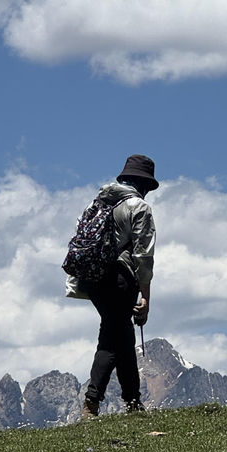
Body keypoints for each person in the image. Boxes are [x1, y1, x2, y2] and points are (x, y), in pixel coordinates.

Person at [66, 154, 158, 419]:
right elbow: (143, 255)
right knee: (110, 339)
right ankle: (91, 403)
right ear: (144, 184)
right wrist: (146, 299)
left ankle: (132, 401)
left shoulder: (96, 204)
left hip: (93, 279)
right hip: (120, 278)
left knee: (122, 336)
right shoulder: (138, 207)